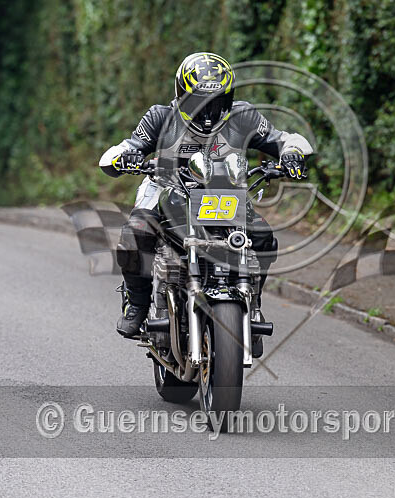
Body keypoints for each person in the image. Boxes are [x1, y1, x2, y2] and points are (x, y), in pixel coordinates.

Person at [99, 52, 313, 338]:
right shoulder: (161, 117)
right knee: (135, 233)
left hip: (225, 195)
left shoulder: (243, 116)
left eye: (217, 102)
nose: (209, 112)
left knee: (262, 236)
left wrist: (292, 155)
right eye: (199, 102)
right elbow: (126, 147)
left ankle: (253, 299)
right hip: (166, 189)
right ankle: (136, 304)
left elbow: (284, 139)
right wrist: (125, 158)